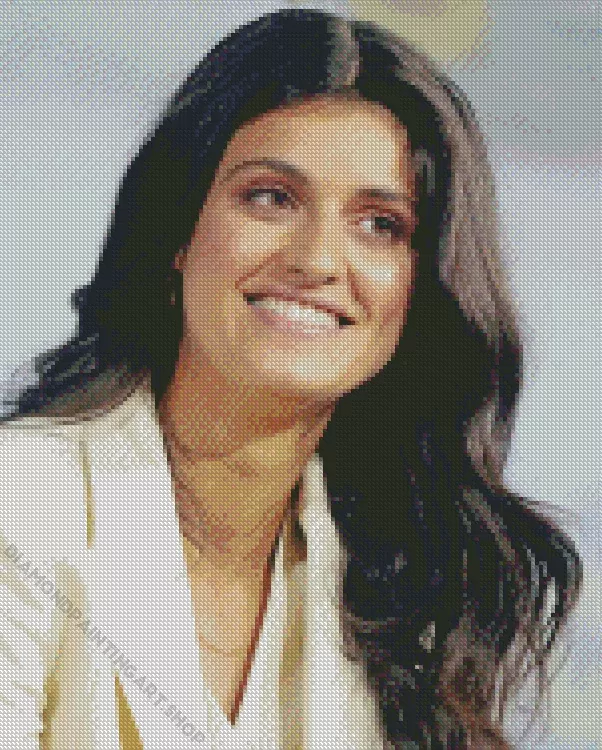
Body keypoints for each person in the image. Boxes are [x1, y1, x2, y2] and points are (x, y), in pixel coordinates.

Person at [0, 7, 581, 749]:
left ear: (423, 291)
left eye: (380, 224)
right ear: (179, 230)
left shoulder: (398, 580)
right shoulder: (22, 504)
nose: (315, 261)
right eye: (271, 197)